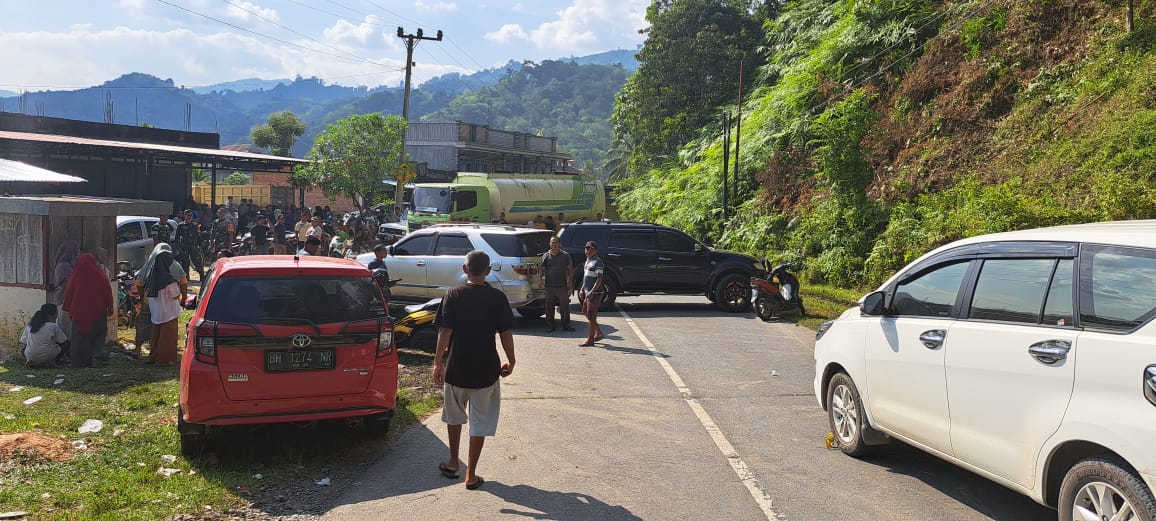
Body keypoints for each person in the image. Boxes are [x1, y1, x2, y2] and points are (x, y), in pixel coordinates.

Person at [432, 250, 516, 490]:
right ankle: (471, 474)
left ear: (465, 269)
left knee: (454, 417)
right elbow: (506, 333)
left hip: (457, 368)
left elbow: (444, 332)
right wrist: (511, 360)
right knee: (479, 422)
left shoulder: (453, 294)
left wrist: (438, 362)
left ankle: (452, 462)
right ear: (488, 271)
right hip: (486, 371)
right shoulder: (497, 298)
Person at [62, 253, 114, 367]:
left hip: (79, 312)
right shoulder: (100, 275)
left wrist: (66, 307)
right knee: (97, 335)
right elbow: (108, 292)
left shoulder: (76, 275)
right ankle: (96, 358)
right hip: (98, 311)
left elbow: (69, 292)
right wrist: (110, 307)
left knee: (79, 337)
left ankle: (78, 361)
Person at [144, 250, 186, 365]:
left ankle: (153, 357)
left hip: (156, 312)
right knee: (168, 337)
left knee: (156, 336)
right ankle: (164, 359)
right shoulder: (169, 280)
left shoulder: (150, 277)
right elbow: (175, 294)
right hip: (169, 312)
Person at [540, 235, 574, 333]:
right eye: (552, 242)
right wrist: (540, 281)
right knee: (549, 307)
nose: (554, 244)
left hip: (562, 285)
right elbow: (542, 270)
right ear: (550, 244)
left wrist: (570, 281)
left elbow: (570, 270)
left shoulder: (565, 255)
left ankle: (566, 325)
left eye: (556, 242)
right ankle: (550, 326)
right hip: (549, 286)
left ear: (559, 244)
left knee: (564, 307)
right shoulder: (546, 256)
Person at [20, 304, 70, 368]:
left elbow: (24, 344)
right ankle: (55, 361)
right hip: (49, 356)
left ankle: (28, 361)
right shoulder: (53, 326)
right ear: (51, 314)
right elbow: (65, 343)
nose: (57, 316)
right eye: (56, 313)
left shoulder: (30, 326)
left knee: (25, 347)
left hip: (30, 355)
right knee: (64, 343)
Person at [578, 241, 606, 347]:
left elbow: (599, 279)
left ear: (596, 250)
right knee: (586, 312)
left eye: (591, 249)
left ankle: (590, 340)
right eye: (587, 249)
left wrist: (592, 292)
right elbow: (586, 277)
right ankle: (598, 332)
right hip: (588, 292)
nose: (588, 251)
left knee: (591, 315)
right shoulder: (587, 261)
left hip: (595, 294)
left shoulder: (598, 262)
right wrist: (581, 289)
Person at [51, 240, 80, 342]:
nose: (78, 253)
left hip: (68, 300)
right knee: (64, 328)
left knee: (69, 327)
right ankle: (64, 351)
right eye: (76, 251)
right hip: (64, 300)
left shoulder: (69, 265)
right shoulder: (64, 266)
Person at [175, 210, 204, 280]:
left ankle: (202, 276)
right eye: (187, 215)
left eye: (190, 215)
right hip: (184, 247)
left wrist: (200, 246)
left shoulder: (195, 225)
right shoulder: (180, 225)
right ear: (184, 216)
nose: (189, 217)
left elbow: (199, 236)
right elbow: (177, 237)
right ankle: (186, 277)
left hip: (194, 246)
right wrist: (178, 247)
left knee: (197, 261)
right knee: (185, 262)